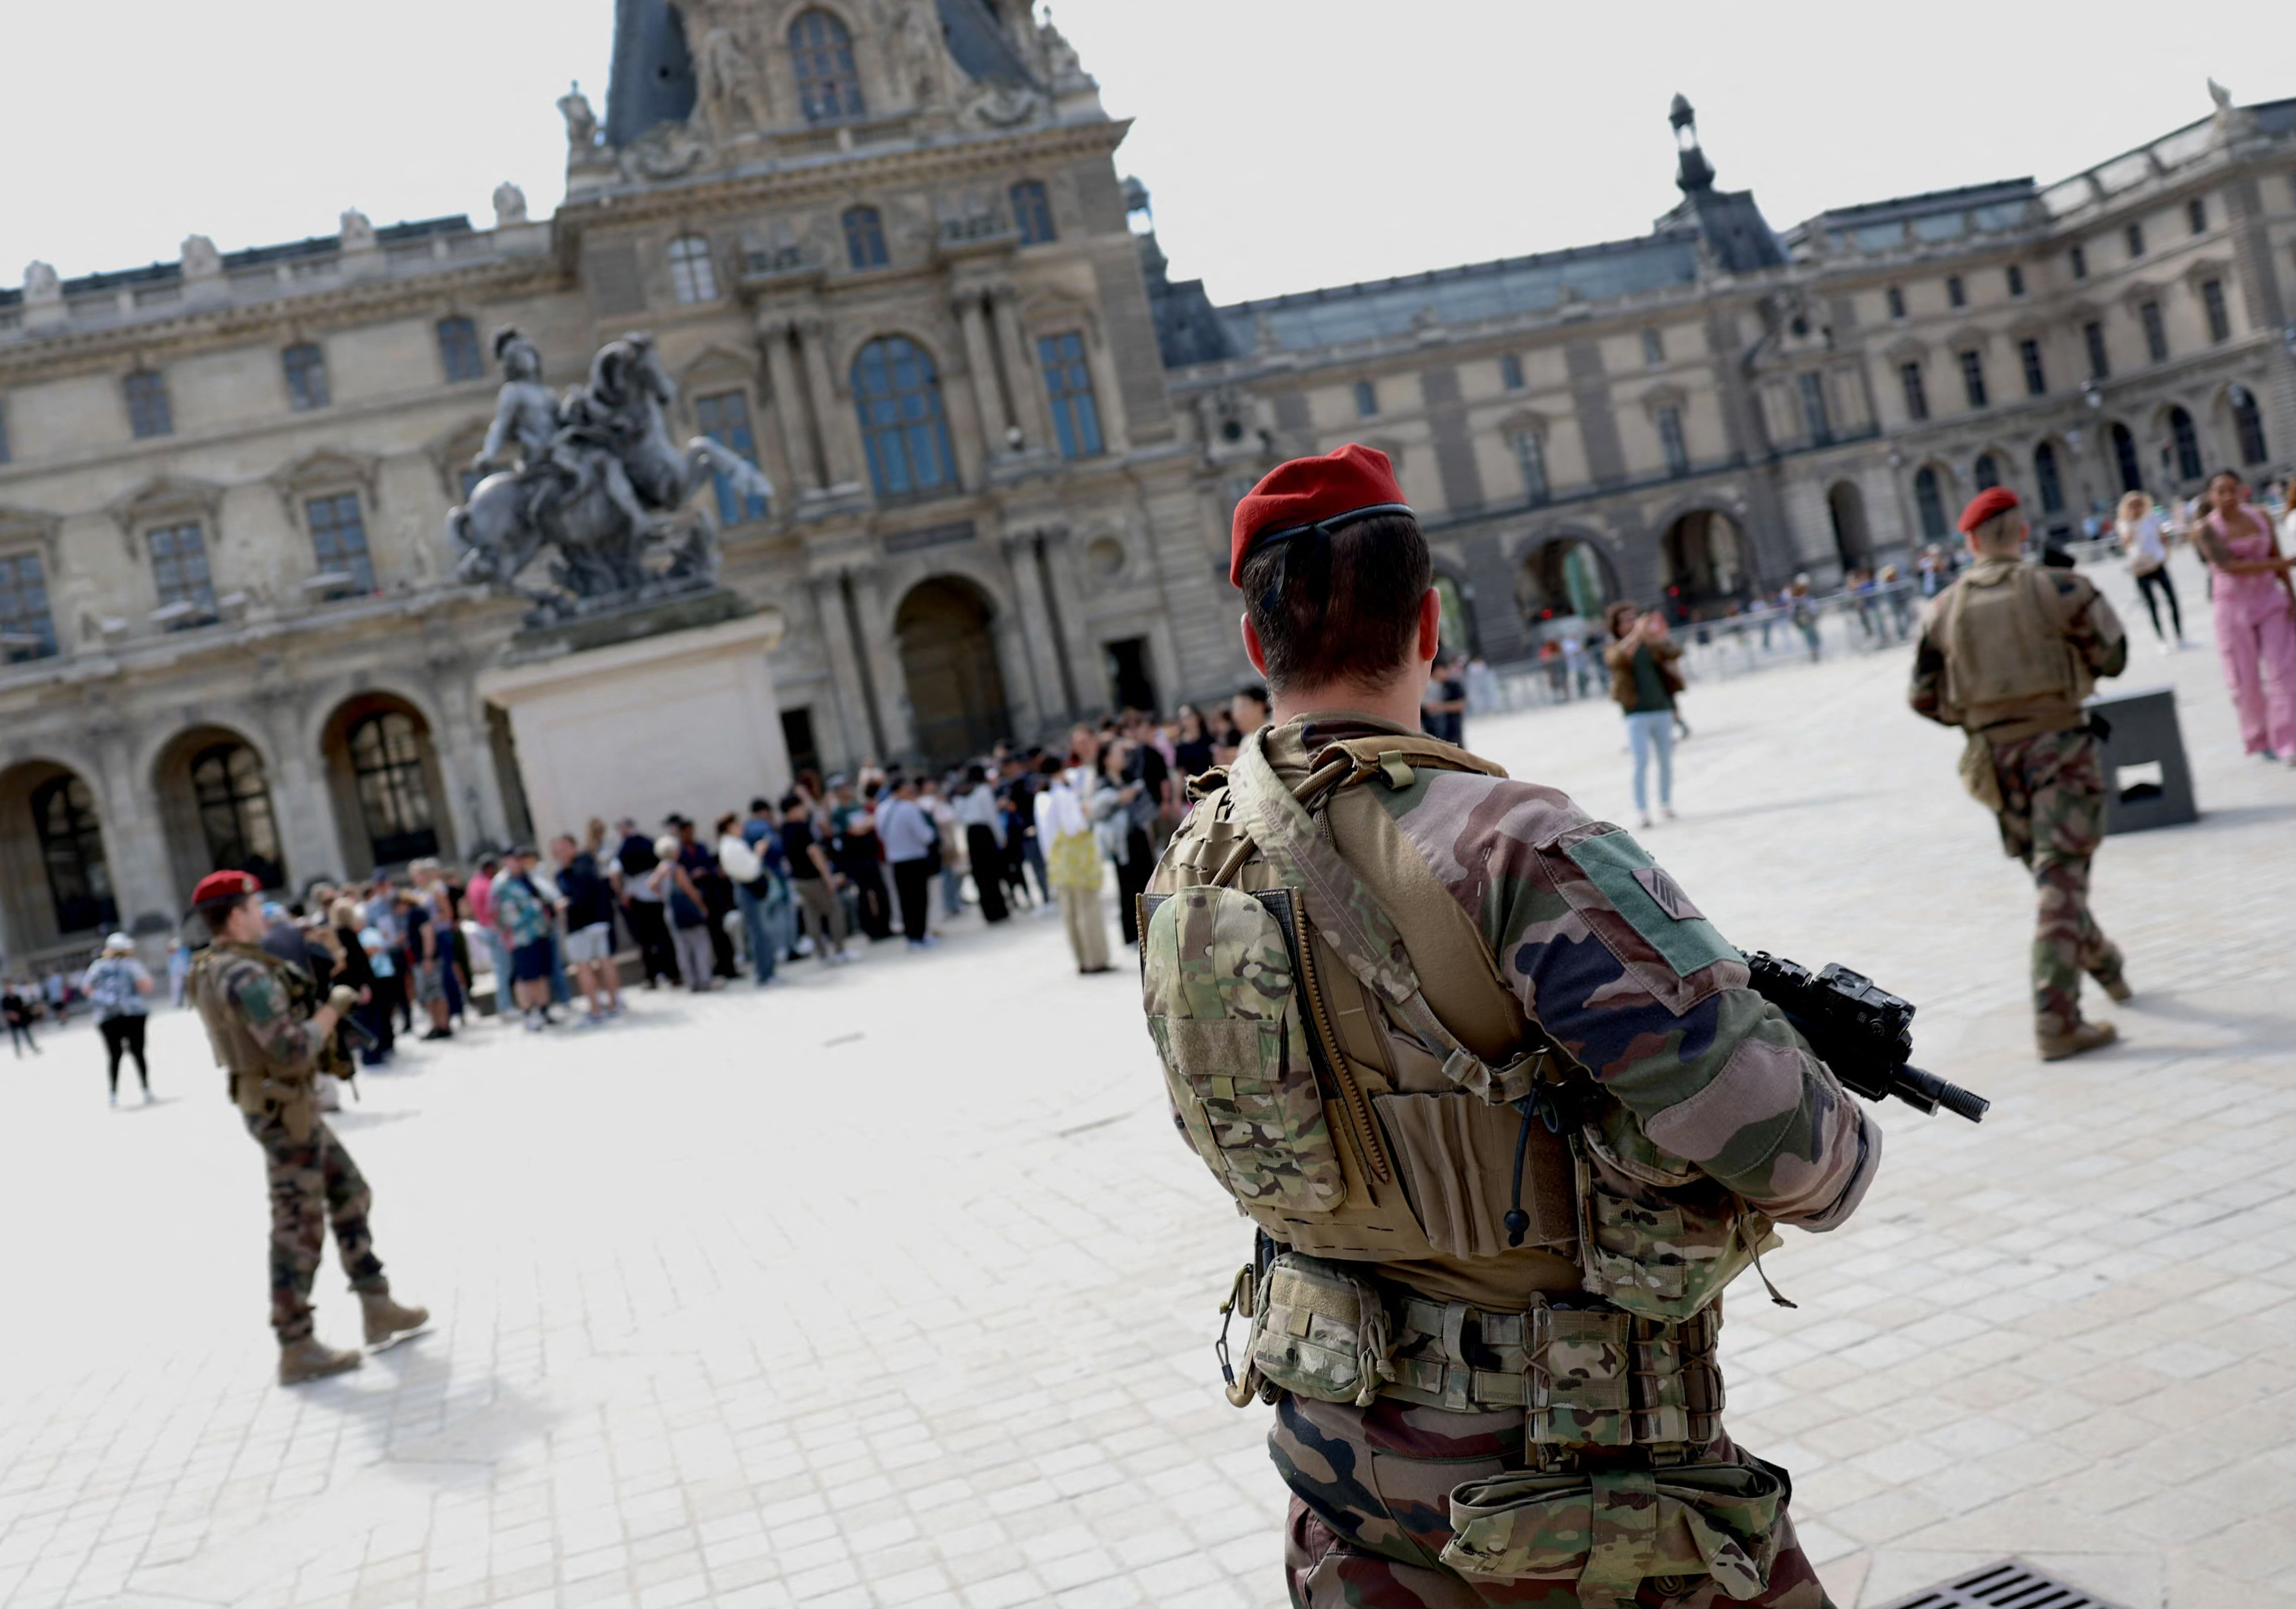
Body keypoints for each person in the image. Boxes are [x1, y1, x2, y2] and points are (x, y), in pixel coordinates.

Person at [1144, 443, 1876, 1606]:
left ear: (1253, 643)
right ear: (1427, 622)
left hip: (1339, 1469)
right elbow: (1797, 1162)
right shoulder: (1505, 845)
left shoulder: (1191, 864)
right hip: (1566, 1489)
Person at [1911, 487, 2132, 1060]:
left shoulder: (1941, 609)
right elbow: (2113, 656)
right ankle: (2056, 1020)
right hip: (2061, 745)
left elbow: (1922, 696)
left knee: (2050, 875)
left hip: (1995, 760)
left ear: (1971, 541)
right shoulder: (2062, 588)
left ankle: (2105, 962)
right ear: (2022, 531)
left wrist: (1980, 717)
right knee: (2059, 876)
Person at [183, 870, 428, 1385]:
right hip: (282, 1110)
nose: (261, 913)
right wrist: (332, 1010)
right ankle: (295, 1343)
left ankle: (376, 1304)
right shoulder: (243, 975)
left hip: (280, 1104)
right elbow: (292, 1046)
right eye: (253, 905)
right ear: (234, 914)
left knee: (349, 1190)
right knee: (299, 1226)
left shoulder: (215, 965)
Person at [2197, 470, 2296, 762]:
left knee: (2283, 670)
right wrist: (2283, 562)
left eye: (2232, 489)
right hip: (2232, 607)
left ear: (2242, 491)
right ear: (2211, 497)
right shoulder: (2205, 529)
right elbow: (2229, 566)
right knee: (2244, 678)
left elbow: (2275, 555)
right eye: (2220, 491)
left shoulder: (2261, 517)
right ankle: (2258, 735)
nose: (2228, 497)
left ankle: (2289, 738)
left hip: (2269, 600)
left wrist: (2291, 594)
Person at [1605, 604, 1685, 828]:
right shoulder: (1615, 647)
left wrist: (1655, 636)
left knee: (1666, 760)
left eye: (1634, 618)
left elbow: (1675, 652)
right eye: (1626, 620)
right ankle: (1642, 809)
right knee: (1640, 761)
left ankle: (1666, 802)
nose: (1632, 623)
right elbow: (1617, 659)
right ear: (1617, 626)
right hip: (1635, 713)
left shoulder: (1651, 644)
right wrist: (1636, 635)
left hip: (1661, 708)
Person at [1034, 753, 1110, 974]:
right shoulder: (1063, 795)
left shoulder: (1041, 797)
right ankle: (1095, 959)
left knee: (1071, 913)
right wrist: (1085, 815)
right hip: (1077, 860)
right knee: (1087, 909)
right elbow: (1074, 827)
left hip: (1058, 861)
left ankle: (1082, 959)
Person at [1090, 732, 1155, 949]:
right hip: (1120, 843)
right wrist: (1118, 798)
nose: (1122, 757)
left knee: (1147, 882)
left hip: (1138, 836)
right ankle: (1132, 933)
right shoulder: (1101, 783)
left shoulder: (1129, 776)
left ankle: (1151, 927)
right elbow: (1096, 809)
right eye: (1118, 753)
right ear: (1106, 758)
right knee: (1127, 887)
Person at [553, 833, 624, 1022]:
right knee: (602, 962)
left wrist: (567, 905)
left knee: (587, 965)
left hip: (584, 923)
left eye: (562, 849)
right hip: (596, 921)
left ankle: (597, 1008)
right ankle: (612, 1002)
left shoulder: (579, 868)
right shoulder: (584, 865)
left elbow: (582, 898)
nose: (559, 854)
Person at [82, 932, 154, 1105]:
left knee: (114, 1056)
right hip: (133, 1014)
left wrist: (102, 1000)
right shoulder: (132, 965)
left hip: (107, 1017)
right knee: (138, 1052)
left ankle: (113, 1094)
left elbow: (86, 989)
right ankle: (145, 1089)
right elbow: (146, 986)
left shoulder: (98, 966)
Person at [492, 847, 560, 1029]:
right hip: (520, 936)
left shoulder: (531, 877)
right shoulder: (502, 884)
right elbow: (504, 916)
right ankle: (530, 1011)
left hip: (540, 931)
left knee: (542, 972)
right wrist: (532, 911)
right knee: (526, 975)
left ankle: (544, 1009)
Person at [780, 794, 851, 964]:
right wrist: (828, 877)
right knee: (834, 910)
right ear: (794, 809)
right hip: (813, 877)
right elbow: (814, 852)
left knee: (812, 916)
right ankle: (840, 950)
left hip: (798, 879)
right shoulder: (801, 827)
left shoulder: (784, 829)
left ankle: (822, 955)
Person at [875, 774, 941, 950]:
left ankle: (912, 937)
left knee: (905, 900)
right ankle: (920, 934)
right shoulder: (909, 808)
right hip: (914, 858)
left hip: (897, 860)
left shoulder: (882, 810)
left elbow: (881, 836)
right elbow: (925, 835)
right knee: (919, 899)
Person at [2117, 489, 2188, 652]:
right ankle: (2162, 640)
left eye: (2139, 504)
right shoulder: (2124, 523)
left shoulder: (2152, 518)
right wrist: (2132, 524)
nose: (2136, 507)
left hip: (2157, 563)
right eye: (2132, 505)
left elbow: (2162, 536)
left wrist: (2166, 554)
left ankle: (2180, 636)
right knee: (2151, 605)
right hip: (2141, 567)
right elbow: (2127, 544)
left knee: (2172, 599)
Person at [647, 835, 717, 991]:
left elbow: (651, 884)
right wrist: (700, 905)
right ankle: (705, 980)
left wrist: (663, 896)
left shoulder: (661, 868)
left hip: (671, 911)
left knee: (682, 948)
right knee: (700, 944)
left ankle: (691, 981)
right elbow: (689, 890)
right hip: (686, 911)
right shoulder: (675, 868)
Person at [952, 766, 1010, 923]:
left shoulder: (960, 795)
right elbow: (991, 816)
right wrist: (1000, 836)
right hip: (985, 832)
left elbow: (957, 818)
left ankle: (989, 912)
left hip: (972, 834)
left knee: (981, 874)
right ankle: (999, 910)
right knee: (991, 872)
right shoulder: (983, 791)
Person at [4, 979, 39, 1057]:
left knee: (28, 1035)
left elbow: (23, 1007)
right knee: (16, 1038)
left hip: (21, 1019)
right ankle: (18, 1052)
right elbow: (5, 1012)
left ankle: (33, 1048)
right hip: (12, 1021)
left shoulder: (18, 997)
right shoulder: (4, 1000)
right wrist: (12, 1015)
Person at [167, 937, 191, 1007]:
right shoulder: (172, 954)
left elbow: (188, 960)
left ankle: (190, 1001)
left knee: (188, 988)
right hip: (176, 974)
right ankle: (177, 1003)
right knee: (176, 989)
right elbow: (171, 965)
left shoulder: (184, 951)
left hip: (185, 972)